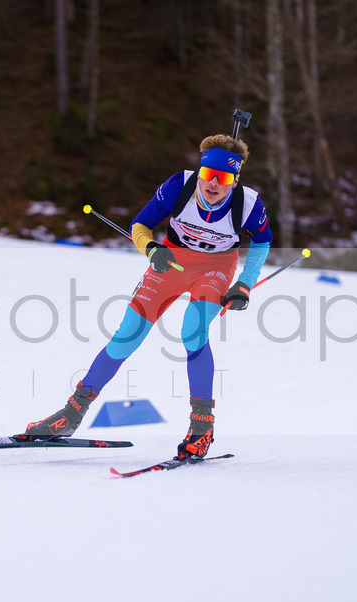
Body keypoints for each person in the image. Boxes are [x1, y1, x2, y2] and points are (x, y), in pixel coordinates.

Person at [23, 134, 273, 460]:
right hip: (171, 260)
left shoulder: (249, 203)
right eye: (207, 173)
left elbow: (263, 240)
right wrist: (150, 248)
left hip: (215, 267)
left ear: (235, 179)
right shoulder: (178, 186)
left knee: (192, 331)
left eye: (223, 178)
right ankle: (70, 415)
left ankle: (201, 428)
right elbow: (140, 224)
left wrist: (244, 283)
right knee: (126, 336)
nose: (212, 183)